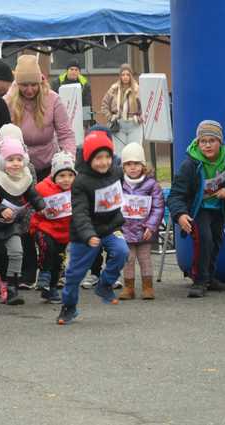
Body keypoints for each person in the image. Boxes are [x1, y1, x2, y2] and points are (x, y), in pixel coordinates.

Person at [167, 120, 225, 298]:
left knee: (216, 241)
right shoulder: (190, 165)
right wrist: (180, 215)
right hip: (198, 208)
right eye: (203, 141)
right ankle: (199, 280)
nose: (207, 145)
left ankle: (210, 277)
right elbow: (175, 195)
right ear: (197, 142)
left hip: (219, 207)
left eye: (212, 140)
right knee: (204, 239)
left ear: (220, 142)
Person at [57, 130, 129, 325]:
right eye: (98, 158)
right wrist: (88, 235)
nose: (104, 162)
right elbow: (80, 213)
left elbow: (122, 187)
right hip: (85, 233)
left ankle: (105, 283)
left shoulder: (116, 171)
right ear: (89, 159)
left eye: (107, 156)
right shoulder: (80, 182)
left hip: (111, 226)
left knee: (122, 251)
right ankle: (69, 307)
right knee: (75, 274)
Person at [0, 133, 45, 310]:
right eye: (11, 159)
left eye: (19, 159)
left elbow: (32, 194)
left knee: (16, 252)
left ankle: (12, 288)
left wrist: (41, 205)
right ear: (3, 161)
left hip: (11, 223)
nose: (16, 163)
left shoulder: (25, 177)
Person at [4, 54, 76, 181]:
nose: (30, 90)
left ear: (40, 82)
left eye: (34, 84)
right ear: (17, 84)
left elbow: (65, 134)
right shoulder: (8, 102)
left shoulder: (53, 99)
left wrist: (69, 159)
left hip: (49, 168)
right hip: (18, 169)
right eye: (24, 85)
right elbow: (0, 137)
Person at [118, 143, 164, 300]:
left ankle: (148, 286)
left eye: (136, 163)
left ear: (143, 165)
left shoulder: (152, 185)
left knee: (145, 259)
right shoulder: (119, 185)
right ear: (123, 167)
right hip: (125, 231)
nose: (133, 167)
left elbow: (158, 208)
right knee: (128, 260)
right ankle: (128, 287)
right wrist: (117, 227)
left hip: (145, 231)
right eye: (128, 164)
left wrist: (151, 227)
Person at [29, 151, 76, 303]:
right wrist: (39, 208)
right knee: (47, 248)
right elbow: (31, 200)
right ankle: (43, 273)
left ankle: (52, 288)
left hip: (64, 233)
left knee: (58, 261)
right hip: (44, 227)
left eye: (70, 175)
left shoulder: (76, 189)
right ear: (54, 175)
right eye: (62, 176)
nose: (66, 180)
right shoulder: (42, 188)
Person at [100, 64, 143, 155]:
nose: (125, 77)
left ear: (131, 76)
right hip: (118, 125)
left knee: (135, 152)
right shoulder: (113, 89)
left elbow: (146, 108)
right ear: (120, 76)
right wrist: (111, 117)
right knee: (119, 154)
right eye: (123, 75)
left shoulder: (138, 89)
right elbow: (104, 105)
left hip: (134, 125)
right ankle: (120, 169)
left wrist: (140, 118)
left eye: (128, 74)